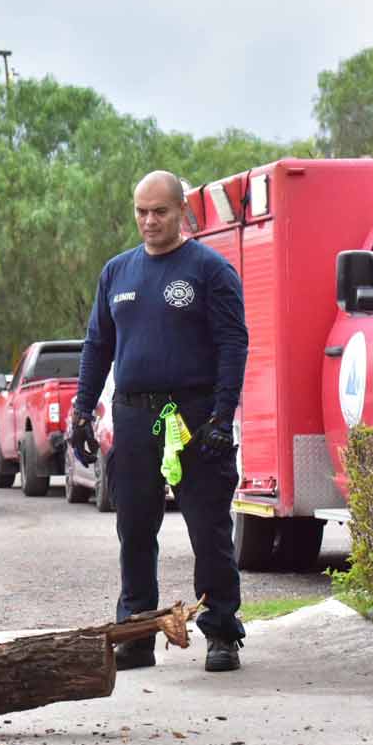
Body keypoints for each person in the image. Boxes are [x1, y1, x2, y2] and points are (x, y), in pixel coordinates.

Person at [70, 170, 249, 673]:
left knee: (208, 527)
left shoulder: (209, 271)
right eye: (141, 211)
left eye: (160, 211)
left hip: (193, 416)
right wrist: (82, 411)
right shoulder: (117, 273)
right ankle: (137, 633)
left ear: (182, 211)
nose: (149, 221)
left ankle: (220, 631)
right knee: (134, 527)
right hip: (132, 414)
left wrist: (221, 415)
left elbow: (233, 344)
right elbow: (97, 346)